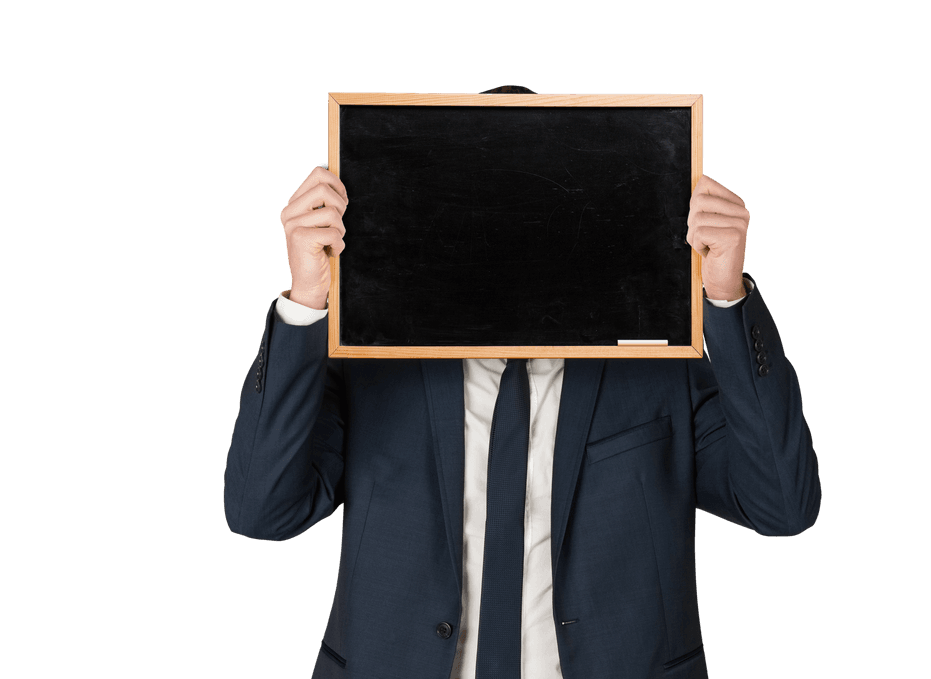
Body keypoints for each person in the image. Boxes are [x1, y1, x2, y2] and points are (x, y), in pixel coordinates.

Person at [223, 86, 821, 679]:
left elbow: (782, 505)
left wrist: (724, 293)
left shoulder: (662, 364)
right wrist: (305, 300)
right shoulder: (369, 359)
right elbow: (261, 510)